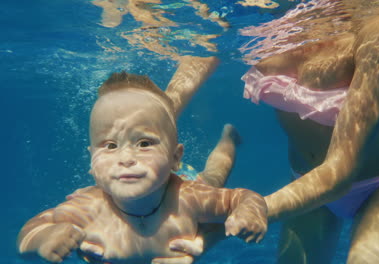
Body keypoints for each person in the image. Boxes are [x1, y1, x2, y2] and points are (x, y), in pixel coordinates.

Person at [166, 1, 379, 263]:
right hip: (305, 183)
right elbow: (201, 52)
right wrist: (150, 132)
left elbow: (341, 171)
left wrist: (229, 223)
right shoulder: (260, 12)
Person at [16, 56, 268, 264]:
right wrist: (44, 237)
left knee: (215, 175)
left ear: (175, 157)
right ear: (92, 160)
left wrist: (249, 211)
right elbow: (28, 233)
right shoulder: (87, 208)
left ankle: (228, 138)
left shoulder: (190, 199)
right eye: (110, 145)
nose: (126, 158)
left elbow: (243, 196)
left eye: (144, 144)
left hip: (186, 181)